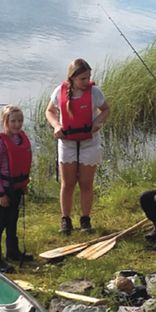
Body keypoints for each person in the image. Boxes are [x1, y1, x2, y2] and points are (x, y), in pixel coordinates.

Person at [45, 59, 111, 234]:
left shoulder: (94, 92)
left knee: (86, 183)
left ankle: (85, 220)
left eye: (88, 77)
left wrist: (97, 121)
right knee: (68, 183)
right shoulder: (60, 91)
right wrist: (56, 126)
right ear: (72, 78)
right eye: (82, 78)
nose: (86, 81)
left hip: (90, 143)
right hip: (67, 144)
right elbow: (50, 111)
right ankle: (65, 220)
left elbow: (106, 109)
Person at [0, 105, 34, 272]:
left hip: (17, 187)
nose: (17, 124)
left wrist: (24, 186)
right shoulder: (0, 143)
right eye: (13, 121)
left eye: (20, 121)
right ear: (4, 122)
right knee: (0, 223)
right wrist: (0, 193)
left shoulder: (21, 138)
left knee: (13, 220)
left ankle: (12, 251)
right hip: (5, 189)